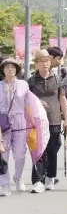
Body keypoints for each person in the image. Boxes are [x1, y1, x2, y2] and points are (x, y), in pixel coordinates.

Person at [28, 49, 67, 193]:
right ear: (36, 64)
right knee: (39, 150)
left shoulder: (58, 79)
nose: (45, 64)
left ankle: (51, 177)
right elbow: (27, 100)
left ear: (50, 62)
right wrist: (38, 101)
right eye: (41, 61)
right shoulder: (31, 81)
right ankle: (38, 180)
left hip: (54, 120)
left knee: (52, 150)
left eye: (47, 61)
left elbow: (62, 99)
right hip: (37, 121)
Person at [0, 59, 36, 196]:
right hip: (2, 124)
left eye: (13, 67)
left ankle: (18, 177)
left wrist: (32, 122)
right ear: (3, 70)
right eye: (7, 67)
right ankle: (4, 184)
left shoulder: (23, 85)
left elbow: (27, 104)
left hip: (20, 122)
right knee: (3, 155)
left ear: (17, 70)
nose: (10, 69)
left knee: (20, 154)